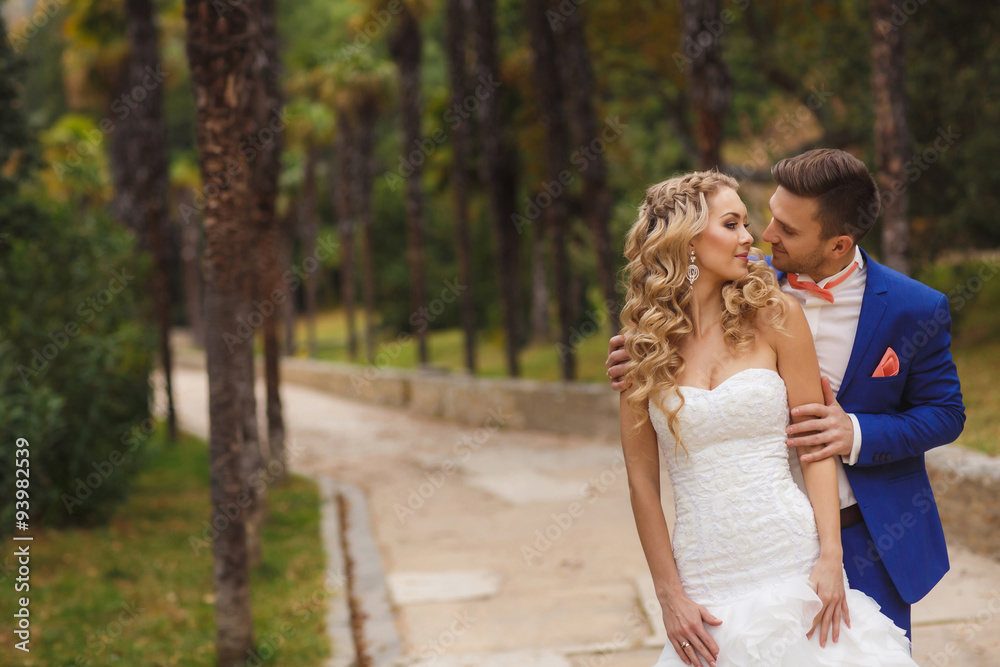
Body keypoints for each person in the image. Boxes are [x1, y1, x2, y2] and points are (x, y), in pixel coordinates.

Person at [609, 151, 965, 665]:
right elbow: (642, 477)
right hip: (716, 563)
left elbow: (946, 412)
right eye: (759, 218)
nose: (765, 235)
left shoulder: (913, 307)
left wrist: (854, 433)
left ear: (837, 243)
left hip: (865, 533)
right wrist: (641, 348)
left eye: (785, 228)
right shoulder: (737, 294)